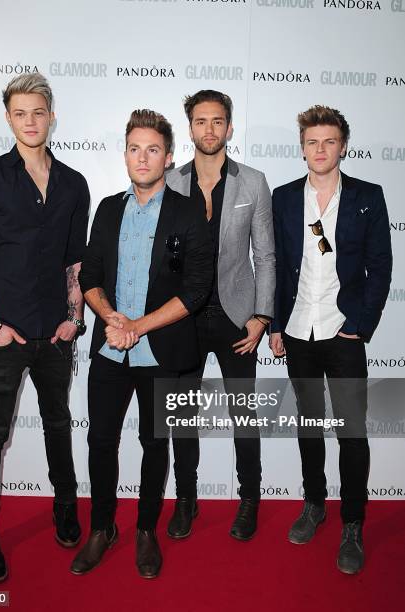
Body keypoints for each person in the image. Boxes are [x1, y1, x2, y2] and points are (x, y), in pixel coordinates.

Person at [0, 73, 90, 582]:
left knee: (58, 425)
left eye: (39, 112)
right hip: (5, 335)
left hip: (55, 336)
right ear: (8, 117)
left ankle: (63, 507)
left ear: (52, 116)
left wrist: (74, 320)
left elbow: (75, 262)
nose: (31, 121)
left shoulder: (74, 184)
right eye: (20, 113)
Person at [72, 109, 213, 579]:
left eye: (152, 149)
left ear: (168, 158)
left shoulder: (189, 211)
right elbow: (90, 277)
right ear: (125, 154)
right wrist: (112, 317)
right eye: (134, 148)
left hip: (162, 353)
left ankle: (146, 530)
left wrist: (140, 326)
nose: (142, 157)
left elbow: (195, 291)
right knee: (100, 441)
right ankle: (102, 528)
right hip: (111, 349)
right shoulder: (108, 209)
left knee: (155, 443)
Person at [270, 105, 392, 574]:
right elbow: (278, 266)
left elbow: (380, 266)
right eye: (311, 141)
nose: (320, 150)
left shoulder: (368, 196)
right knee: (308, 424)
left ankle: (353, 523)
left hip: (344, 331)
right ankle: (315, 504)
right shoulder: (283, 198)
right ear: (302, 147)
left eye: (329, 141)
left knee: (351, 431)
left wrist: (361, 322)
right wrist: (276, 323)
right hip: (299, 329)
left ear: (343, 145)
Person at [166, 90, 275, 541]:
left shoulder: (253, 181)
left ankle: (249, 498)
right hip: (184, 319)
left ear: (230, 128)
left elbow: (265, 256)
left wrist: (261, 317)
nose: (209, 130)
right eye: (201, 121)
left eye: (218, 122)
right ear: (189, 128)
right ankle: (186, 499)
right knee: (182, 415)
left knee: (243, 416)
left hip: (236, 317)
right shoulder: (171, 182)